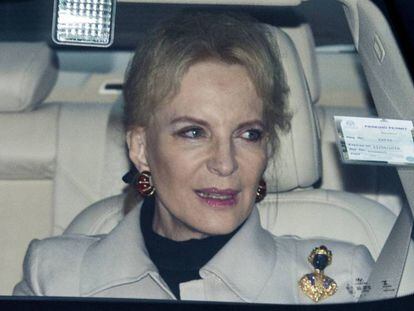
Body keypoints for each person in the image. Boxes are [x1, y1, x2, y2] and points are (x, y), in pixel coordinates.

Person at [13, 12, 374, 304]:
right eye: (194, 132)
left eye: (249, 134)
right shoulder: (55, 276)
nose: (225, 163)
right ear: (140, 148)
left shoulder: (344, 282)